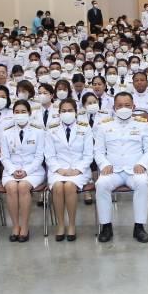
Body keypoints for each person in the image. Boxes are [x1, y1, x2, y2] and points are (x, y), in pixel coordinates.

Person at [93, 92, 148, 243]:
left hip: (135, 169)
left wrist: (142, 164)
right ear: (114, 107)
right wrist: (105, 164)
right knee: (101, 184)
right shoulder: (104, 125)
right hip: (113, 170)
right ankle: (106, 226)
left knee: (142, 183)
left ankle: (139, 227)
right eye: (119, 105)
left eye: (127, 105)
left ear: (133, 107)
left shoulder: (142, 124)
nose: (123, 108)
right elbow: (98, 151)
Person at [0, 98, 46, 242]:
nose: (20, 114)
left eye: (23, 112)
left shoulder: (38, 132)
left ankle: (24, 226)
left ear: (30, 113)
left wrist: (26, 171)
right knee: (12, 187)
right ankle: (15, 226)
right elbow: (4, 158)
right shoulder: (6, 132)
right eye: (17, 112)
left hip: (34, 170)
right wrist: (13, 170)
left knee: (24, 186)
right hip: (10, 170)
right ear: (13, 114)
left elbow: (39, 157)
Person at [46, 98, 93, 241]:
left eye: (70, 110)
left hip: (79, 170)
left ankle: (71, 225)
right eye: (63, 111)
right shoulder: (52, 128)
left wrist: (77, 170)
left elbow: (88, 154)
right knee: (59, 187)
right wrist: (59, 169)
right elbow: (49, 154)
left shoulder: (85, 128)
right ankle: (61, 225)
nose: (67, 113)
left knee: (70, 186)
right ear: (59, 113)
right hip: (57, 170)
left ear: (76, 112)